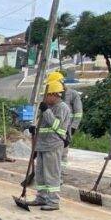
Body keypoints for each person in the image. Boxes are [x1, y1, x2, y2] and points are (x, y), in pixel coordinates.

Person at [26, 80, 71, 211]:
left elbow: (56, 125)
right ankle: (41, 197)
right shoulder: (49, 107)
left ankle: (53, 201)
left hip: (53, 145)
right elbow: (43, 125)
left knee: (51, 174)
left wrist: (46, 111)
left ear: (54, 94)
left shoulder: (62, 108)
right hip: (42, 145)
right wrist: (34, 129)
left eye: (46, 96)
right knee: (40, 174)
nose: (44, 98)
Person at [47, 70, 82, 176]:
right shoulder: (51, 96)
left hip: (66, 128)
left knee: (63, 153)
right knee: (53, 153)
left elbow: (78, 113)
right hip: (53, 129)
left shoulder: (73, 94)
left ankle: (61, 172)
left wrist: (73, 127)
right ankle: (54, 172)